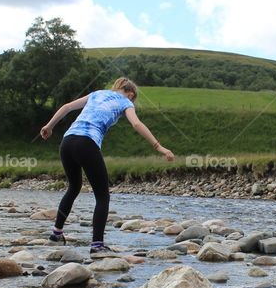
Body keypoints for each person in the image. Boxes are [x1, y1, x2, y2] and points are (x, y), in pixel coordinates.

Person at [39, 77, 174, 253]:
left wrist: (49, 126)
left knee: (74, 187)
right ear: (131, 94)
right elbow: (136, 123)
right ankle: (97, 245)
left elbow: (67, 107)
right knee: (102, 196)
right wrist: (159, 147)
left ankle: (56, 234)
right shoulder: (126, 101)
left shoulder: (97, 94)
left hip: (67, 141)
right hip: (87, 142)